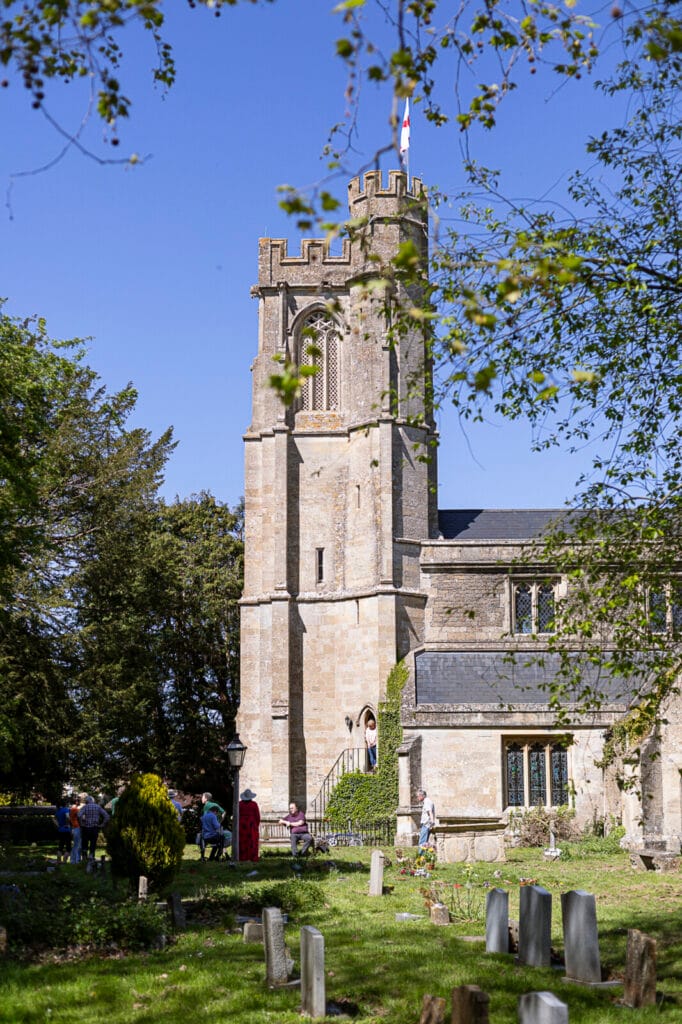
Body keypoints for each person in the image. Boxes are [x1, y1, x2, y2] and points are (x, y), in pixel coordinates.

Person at [78, 795, 110, 863]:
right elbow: (106, 816)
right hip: (95, 828)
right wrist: (102, 824)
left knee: (85, 842)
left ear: (87, 801)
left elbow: (79, 815)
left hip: (86, 828)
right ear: (93, 801)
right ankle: (91, 856)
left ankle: (84, 857)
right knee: (93, 842)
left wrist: (81, 823)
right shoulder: (98, 807)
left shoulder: (85, 807)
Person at [238, 788, 260, 861]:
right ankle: (252, 857)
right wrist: (256, 825)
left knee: (243, 841)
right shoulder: (254, 804)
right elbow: (257, 816)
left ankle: (242, 857)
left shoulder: (239, 804)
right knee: (252, 841)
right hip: (252, 825)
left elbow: (236, 815)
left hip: (242, 825)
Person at [69, 792, 86, 864]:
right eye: (78, 800)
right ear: (76, 802)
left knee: (76, 844)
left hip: (74, 827)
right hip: (77, 828)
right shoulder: (74, 809)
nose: (79, 802)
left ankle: (73, 860)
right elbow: (82, 816)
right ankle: (76, 860)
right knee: (78, 845)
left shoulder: (72, 808)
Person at [54, 798, 72, 863]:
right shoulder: (66, 809)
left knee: (60, 846)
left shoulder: (58, 811)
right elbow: (67, 817)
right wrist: (67, 824)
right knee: (68, 847)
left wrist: (58, 825)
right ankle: (64, 860)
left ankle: (58, 860)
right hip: (66, 830)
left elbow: (54, 819)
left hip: (60, 830)